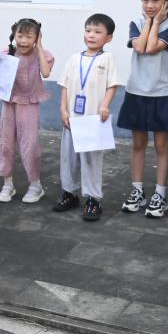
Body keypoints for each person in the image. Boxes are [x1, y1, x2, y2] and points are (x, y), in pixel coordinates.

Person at [118, 0, 168, 218]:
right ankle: (137, 191)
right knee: (138, 144)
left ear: (167, 3)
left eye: (156, 0)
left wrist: (155, 22)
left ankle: (160, 194)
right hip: (136, 92)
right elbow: (140, 46)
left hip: (162, 93)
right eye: (146, 0)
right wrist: (150, 22)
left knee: (161, 145)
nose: (150, 5)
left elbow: (152, 47)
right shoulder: (136, 23)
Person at [53, 14, 123, 221]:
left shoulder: (107, 59)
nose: (91, 35)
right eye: (88, 30)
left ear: (108, 38)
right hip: (72, 119)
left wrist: (104, 106)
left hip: (93, 120)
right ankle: (69, 193)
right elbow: (65, 86)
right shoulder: (75, 58)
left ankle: (93, 198)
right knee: (68, 158)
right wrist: (63, 110)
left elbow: (112, 85)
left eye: (98, 32)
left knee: (92, 160)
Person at [0, 19, 54, 204]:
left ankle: (35, 185)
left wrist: (39, 48)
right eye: (20, 35)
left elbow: (47, 73)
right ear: (14, 35)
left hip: (29, 104)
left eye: (29, 36)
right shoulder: (7, 53)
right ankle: (7, 184)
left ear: (36, 38)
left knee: (30, 144)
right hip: (9, 103)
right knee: (5, 143)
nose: (24, 40)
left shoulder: (42, 54)